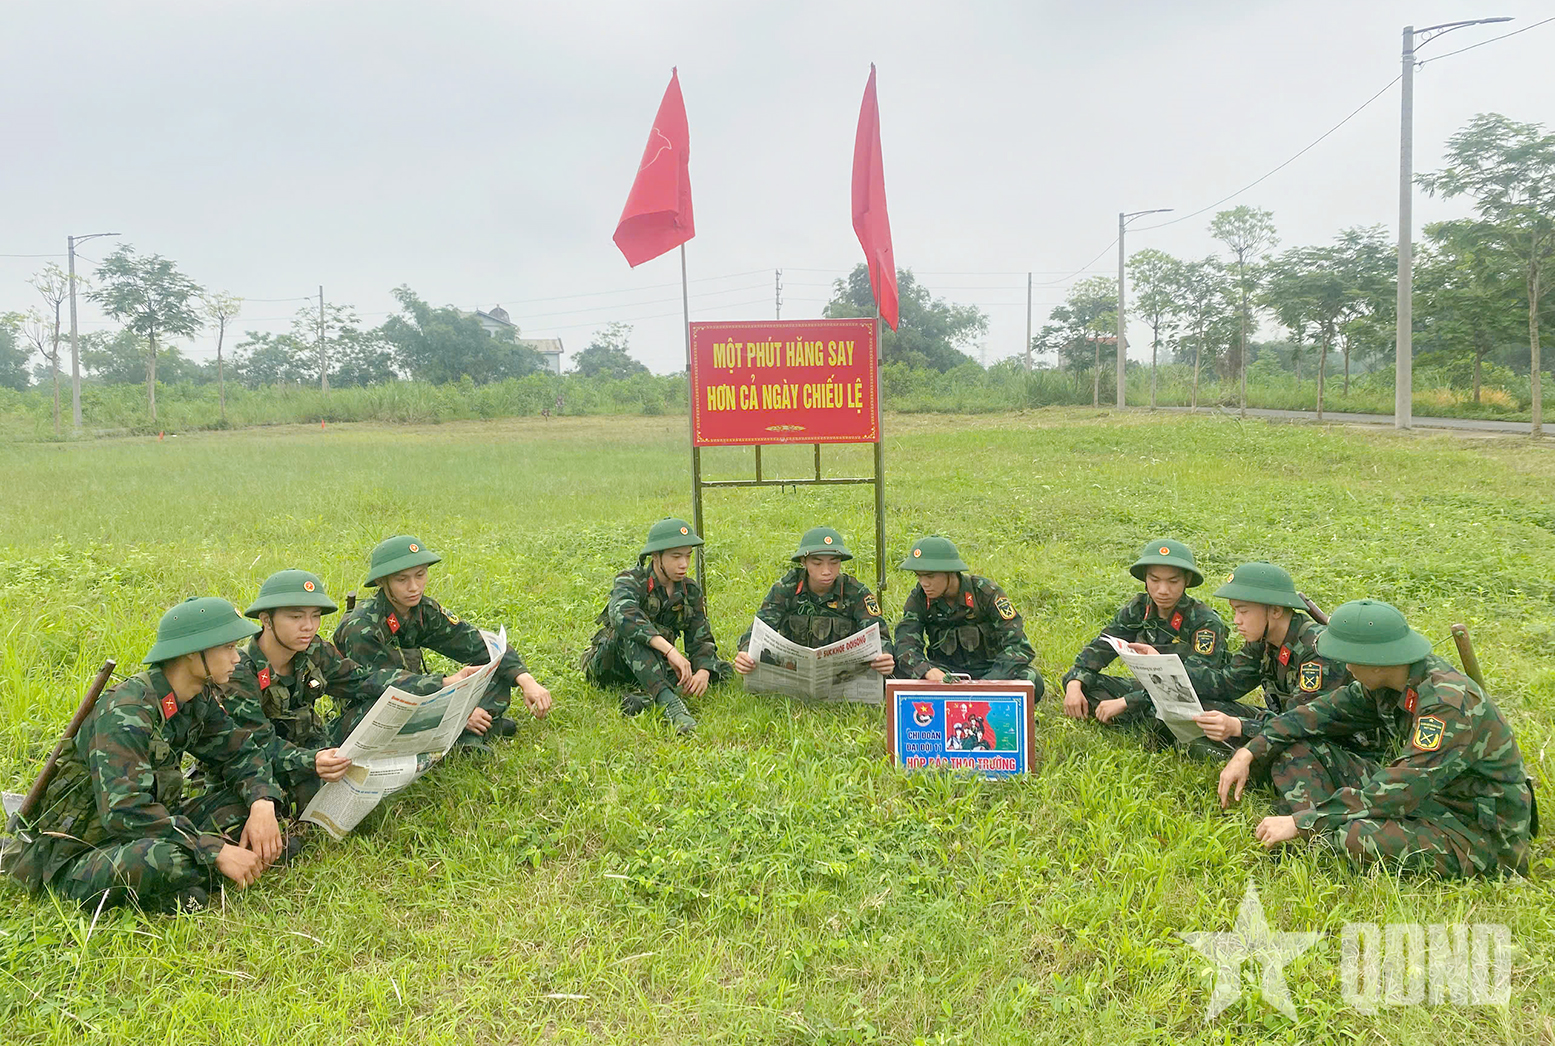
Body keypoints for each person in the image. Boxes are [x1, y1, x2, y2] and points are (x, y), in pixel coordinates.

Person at [1218, 599, 1537, 877]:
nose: (1343, 665)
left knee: (1353, 838)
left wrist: (1306, 821)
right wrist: (1249, 751)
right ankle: (1314, 826)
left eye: (1347, 657)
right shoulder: (1384, 682)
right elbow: (1313, 716)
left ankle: (1313, 830)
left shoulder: (1447, 702)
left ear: (1374, 660)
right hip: (1429, 799)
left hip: (1474, 827)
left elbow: (1401, 789)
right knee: (1295, 749)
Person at [6, 598, 285, 912]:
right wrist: (213, 849)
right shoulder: (126, 710)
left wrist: (262, 804)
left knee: (248, 810)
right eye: (228, 648)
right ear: (193, 651)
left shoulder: (195, 696)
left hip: (151, 824)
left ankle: (194, 882)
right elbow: (124, 811)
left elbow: (240, 751)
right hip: (83, 848)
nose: (237, 657)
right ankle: (202, 875)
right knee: (164, 859)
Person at [217, 570, 470, 829]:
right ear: (266, 620)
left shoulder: (314, 650)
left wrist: (439, 683)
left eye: (315, 616)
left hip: (316, 747)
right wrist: (312, 761)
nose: (308, 626)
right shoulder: (239, 674)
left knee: (379, 706)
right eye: (295, 617)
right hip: (273, 763)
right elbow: (256, 747)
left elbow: (362, 680)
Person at [333, 535, 552, 752]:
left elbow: (477, 644)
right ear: (382, 582)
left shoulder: (423, 611)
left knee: (494, 668)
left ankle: (465, 733)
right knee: (380, 714)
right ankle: (464, 733)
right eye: (402, 580)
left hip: (419, 697)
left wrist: (526, 680)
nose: (414, 587)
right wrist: (450, 705)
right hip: (373, 709)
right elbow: (382, 687)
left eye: (420, 575)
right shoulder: (361, 627)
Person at [1060, 539, 1228, 738]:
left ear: (1187, 580)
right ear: (1145, 580)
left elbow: (1191, 683)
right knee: (1084, 686)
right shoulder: (1140, 607)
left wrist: (1127, 702)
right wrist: (1074, 682)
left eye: (1173, 581)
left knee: (1195, 717)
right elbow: (1102, 646)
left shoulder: (1205, 623)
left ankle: (1146, 723)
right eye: (1155, 580)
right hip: (1150, 692)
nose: (1163, 590)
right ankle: (1148, 722)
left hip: (1193, 699)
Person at [581, 517, 732, 735]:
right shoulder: (630, 580)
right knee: (633, 634)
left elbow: (701, 637)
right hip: (611, 664)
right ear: (656, 557)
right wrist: (670, 650)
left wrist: (704, 672)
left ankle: (644, 700)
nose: (684, 564)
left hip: (653, 665)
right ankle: (670, 704)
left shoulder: (689, 591)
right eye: (676, 556)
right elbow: (622, 615)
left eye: (688, 556)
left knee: (721, 671)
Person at [1194, 562, 1359, 756]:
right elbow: (1227, 684)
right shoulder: (1263, 640)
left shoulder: (1317, 650)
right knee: (1205, 710)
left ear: (1275, 610)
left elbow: (1299, 721)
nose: (1237, 620)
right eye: (1235, 611)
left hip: (1327, 738)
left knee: (1293, 751)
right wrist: (1167, 670)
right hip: (1285, 723)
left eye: (1243, 611)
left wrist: (1239, 726)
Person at [733, 526, 894, 677]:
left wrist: (885, 655)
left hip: (841, 674)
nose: (826, 571)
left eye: (834, 563)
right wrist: (746, 653)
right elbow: (760, 629)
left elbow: (878, 634)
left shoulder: (856, 592)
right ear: (803, 562)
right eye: (817, 563)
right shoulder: (787, 588)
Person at [891, 536, 1042, 695]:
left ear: (950, 572)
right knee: (898, 673)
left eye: (930, 576)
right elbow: (905, 644)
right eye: (919, 576)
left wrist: (987, 684)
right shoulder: (920, 598)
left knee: (1031, 679)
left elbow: (1019, 647)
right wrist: (928, 671)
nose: (924, 583)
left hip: (991, 671)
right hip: (945, 676)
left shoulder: (985, 593)